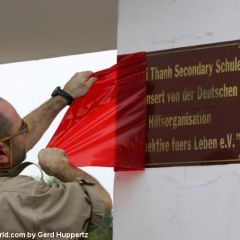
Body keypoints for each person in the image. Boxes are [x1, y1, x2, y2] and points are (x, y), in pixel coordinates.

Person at [0, 71, 112, 238]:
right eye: (22, 128)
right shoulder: (23, 198)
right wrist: (60, 167)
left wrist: (62, 97)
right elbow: (102, 201)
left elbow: (14, 145)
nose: (27, 131)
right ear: (2, 154)